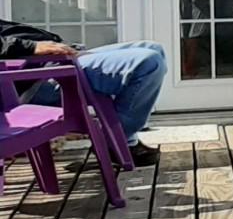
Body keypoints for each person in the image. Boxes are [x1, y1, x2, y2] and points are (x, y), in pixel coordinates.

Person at [0, 20, 167, 167]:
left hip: (55, 61)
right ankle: (118, 142)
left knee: (153, 48)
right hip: (40, 79)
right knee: (149, 62)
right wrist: (34, 46)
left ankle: (119, 136)